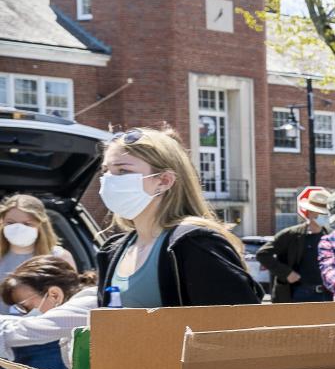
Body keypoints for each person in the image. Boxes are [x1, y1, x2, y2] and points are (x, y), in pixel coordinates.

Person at [95, 127, 263, 308]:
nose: (109, 179)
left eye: (123, 171)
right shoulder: (112, 251)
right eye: (106, 171)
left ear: (165, 181)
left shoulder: (194, 244)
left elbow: (238, 326)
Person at [0, 256, 97, 369]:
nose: (25, 314)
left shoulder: (88, 304)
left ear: (54, 295)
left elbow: (28, 330)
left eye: (26, 307)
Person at [255, 188, 333, 302]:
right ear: (310, 213)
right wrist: (287, 273)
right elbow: (262, 254)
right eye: (321, 213)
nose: (324, 216)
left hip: (327, 294)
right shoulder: (291, 235)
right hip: (298, 293)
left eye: (326, 213)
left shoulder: (331, 236)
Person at [0, 194, 77, 281]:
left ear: (41, 225)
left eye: (27, 223)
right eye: (10, 223)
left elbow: (71, 292)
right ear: (2, 223)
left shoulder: (60, 257)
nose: (18, 228)